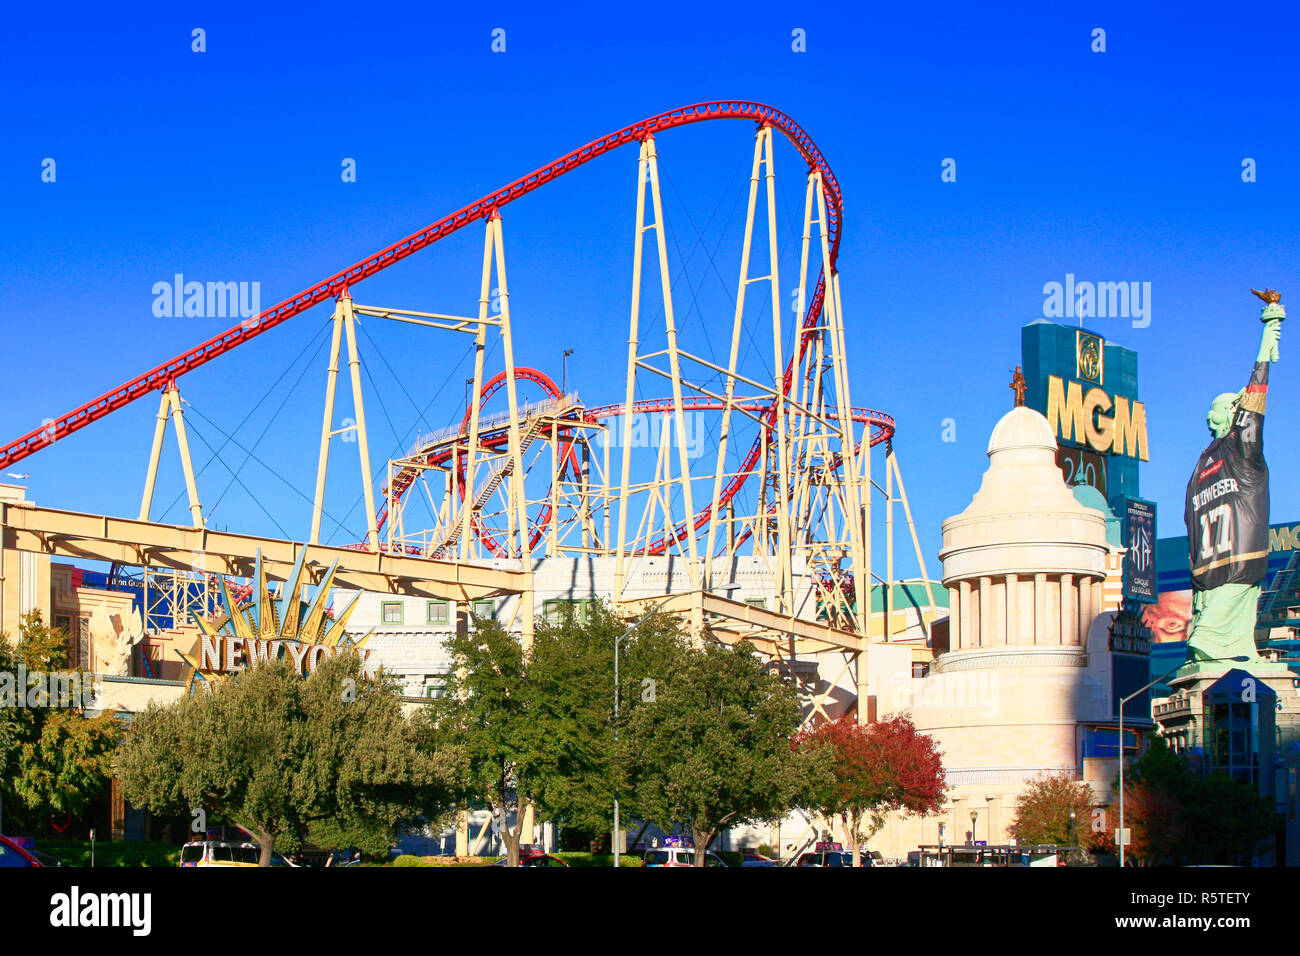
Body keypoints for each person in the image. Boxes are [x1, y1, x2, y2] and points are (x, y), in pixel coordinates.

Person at [1183, 307, 1282, 664]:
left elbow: (1188, 522)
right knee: (1213, 639)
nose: (1212, 415)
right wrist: (1266, 341)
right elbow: (1256, 401)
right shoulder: (1237, 448)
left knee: (1219, 641)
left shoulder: (1202, 465)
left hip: (1210, 575)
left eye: (1218, 409)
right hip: (1236, 568)